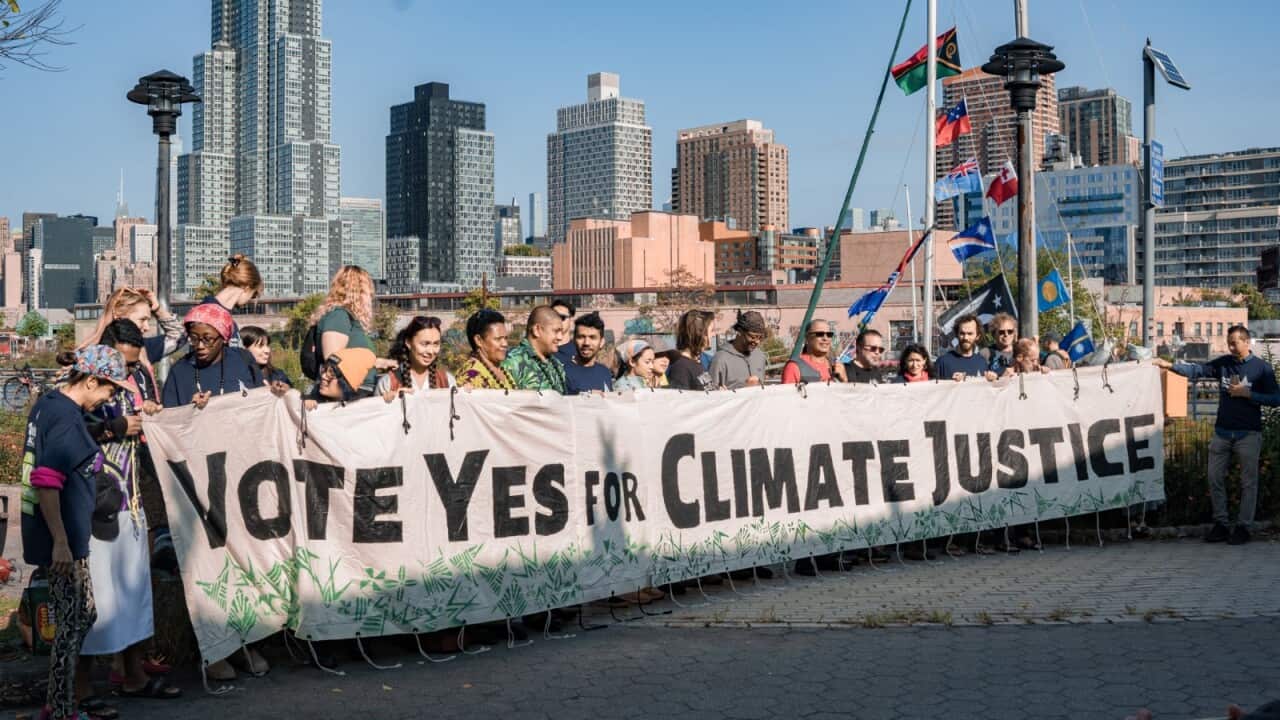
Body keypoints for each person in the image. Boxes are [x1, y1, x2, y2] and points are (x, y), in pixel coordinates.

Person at [20, 346, 131, 720]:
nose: (110, 398)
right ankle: (61, 708)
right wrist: (61, 543)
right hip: (62, 540)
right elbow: (47, 481)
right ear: (91, 381)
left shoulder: (49, 404)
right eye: (110, 389)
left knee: (82, 616)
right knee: (72, 625)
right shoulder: (66, 419)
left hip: (62, 536)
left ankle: (58, 703)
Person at [78, 321, 183, 703]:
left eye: (135, 363)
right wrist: (115, 427)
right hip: (96, 505)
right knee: (97, 598)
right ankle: (81, 686)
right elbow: (72, 430)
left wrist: (146, 411)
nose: (129, 370)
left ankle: (133, 673)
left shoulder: (130, 382)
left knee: (134, 592)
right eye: (124, 362)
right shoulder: (83, 386)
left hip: (131, 498)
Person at [1154, 325, 1280, 545]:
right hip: (1222, 433)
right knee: (1214, 478)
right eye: (1229, 343)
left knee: (1248, 483)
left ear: (1246, 342)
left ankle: (1243, 527)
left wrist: (1249, 394)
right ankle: (1221, 524)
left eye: (1234, 343)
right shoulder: (1224, 363)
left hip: (1248, 434)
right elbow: (1198, 370)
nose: (1230, 347)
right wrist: (1170, 365)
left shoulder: (1262, 368)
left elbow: (1276, 399)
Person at [162, 304, 264, 408]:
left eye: (208, 339)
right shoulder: (179, 371)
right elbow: (170, 414)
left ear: (224, 338)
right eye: (194, 338)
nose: (200, 346)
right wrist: (191, 408)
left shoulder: (242, 358)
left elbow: (262, 399)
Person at [310, 265, 389, 396]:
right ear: (357, 292)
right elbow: (333, 362)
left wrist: (380, 363)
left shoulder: (347, 318)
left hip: (357, 391)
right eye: (367, 292)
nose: (370, 297)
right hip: (349, 395)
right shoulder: (338, 316)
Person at [82, 287, 186, 366]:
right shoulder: (93, 358)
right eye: (142, 320)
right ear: (118, 315)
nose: (147, 327)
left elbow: (180, 336)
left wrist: (157, 309)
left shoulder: (143, 349)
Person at [378, 316, 454, 401]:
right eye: (424, 344)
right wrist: (390, 403)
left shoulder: (447, 381)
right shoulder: (388, 383)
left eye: (436, 344)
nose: (431, 351)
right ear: (408, 343)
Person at [201, 254, 265, 347]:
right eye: (253, 295)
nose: (249, 300)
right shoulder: (214, 317)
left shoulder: (210, 311)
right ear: (246, 288)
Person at [502, 305, 567, 393]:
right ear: (537, 330)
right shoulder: (513, 362)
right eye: (556, 331)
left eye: (561, 332)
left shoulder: (556, 364)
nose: (560, 337)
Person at [457, 309, 516, 390]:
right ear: (479, 340)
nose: (505, 344)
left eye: (506, 338)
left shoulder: (502, 369)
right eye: (498, 339)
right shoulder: (471, 375)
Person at [709, 311, 768, 389]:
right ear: (740, 331)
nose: (757, 341)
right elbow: (710, 393)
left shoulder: (760, 356)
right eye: (753, 337)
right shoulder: (720, 359)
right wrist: (744, 386)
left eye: (760, 337)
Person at [306, 348, 379, 407]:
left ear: (347, 382)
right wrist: (304, 405)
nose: (323, 376)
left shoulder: (364, 407)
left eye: (331, 373)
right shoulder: (313, 398)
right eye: (324, 369)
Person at [562, 312, 613, 395]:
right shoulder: (562, 373)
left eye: (592, 337)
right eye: (581, 337)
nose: (586, 343)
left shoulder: (605, 372)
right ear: (574, 340)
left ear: (601, 342)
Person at [782, 319, 847, 383]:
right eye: (820, 334)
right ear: (807, 338)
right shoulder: (794, 367)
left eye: (829, 334)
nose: (825, 338)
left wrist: (844, 380)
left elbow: (846, 389)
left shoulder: (836, 367)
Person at [666, 310, 715, 391]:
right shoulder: (681, 368)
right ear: (699, 334)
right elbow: (681, 397)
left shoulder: (696, 362)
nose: (714, 335)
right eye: (712, 330)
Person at [935, 315, 992, 382]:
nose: (965, 338)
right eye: (962, 333)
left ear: (977, 336)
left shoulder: (982, 362)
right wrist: (952, 382)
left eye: (970, 334)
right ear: (957, 334)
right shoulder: (942, 362)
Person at [982, 312, 1018, 378]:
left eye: (1010, 331)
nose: (1006, 334)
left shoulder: (1020, 351)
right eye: (1001, 332)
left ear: (1014, 333)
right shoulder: (985, 353)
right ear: (993, 334)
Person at [550, 297, 577, 363]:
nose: (557, 321)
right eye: (554, 317)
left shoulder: (579, 351)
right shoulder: (542, 350)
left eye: (562, 317)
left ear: (571, 320)